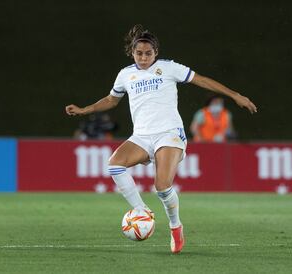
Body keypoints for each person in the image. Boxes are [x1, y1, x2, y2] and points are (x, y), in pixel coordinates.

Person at [65, 24, 257, 253]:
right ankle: (142, 210)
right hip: (142, 136)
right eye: (139, 53)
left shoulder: (169, 68)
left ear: (156, 52)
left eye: (148, 53)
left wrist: (235, 95)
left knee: (162, 186)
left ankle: (176, 227)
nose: (143, 57)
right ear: (132, 53)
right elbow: (111, 99)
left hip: (169, 133)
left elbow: (202, 80)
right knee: (114, 165)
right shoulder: (126, 74)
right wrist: (85, 109)